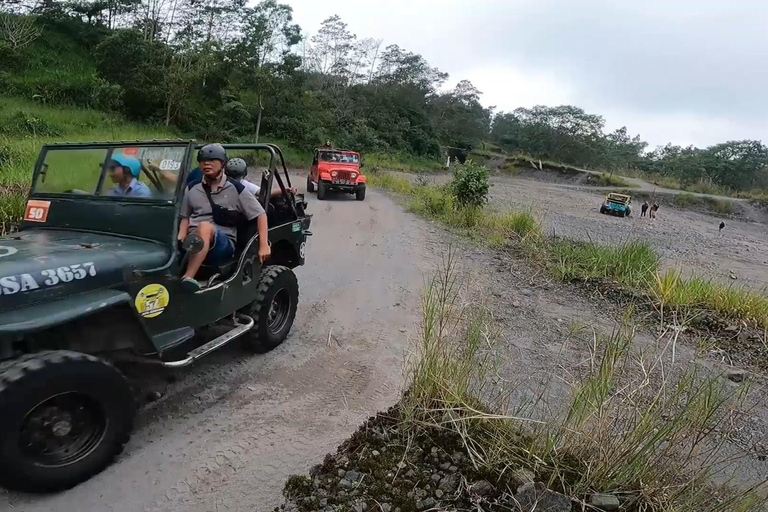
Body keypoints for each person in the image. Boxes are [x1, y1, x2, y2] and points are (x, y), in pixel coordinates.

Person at [178, 144, 269, 292]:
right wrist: (181, 234)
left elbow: (260, 214)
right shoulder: (192, 187)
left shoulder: (235, 188)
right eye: (203, 160)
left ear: (222, 164)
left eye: (213, 160)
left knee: (204, 227)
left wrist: (264, 244)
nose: (207, 163)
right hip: (192, 239)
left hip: (222, 244)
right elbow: (185, 216)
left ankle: (188, 277)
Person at [225, 158, 298, 197]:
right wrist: (286, 190)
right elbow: (264, 193)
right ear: (244, 173)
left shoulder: (220, 182)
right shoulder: (244, 184)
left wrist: (285, 190)